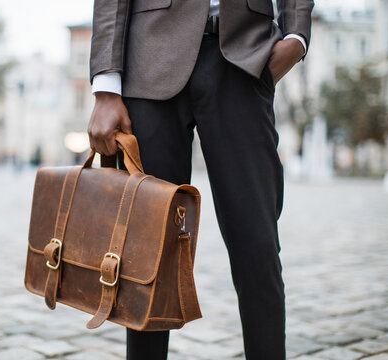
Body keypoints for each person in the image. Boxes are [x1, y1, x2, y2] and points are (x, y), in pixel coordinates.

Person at [87, 0, 314, 359]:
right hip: (149, 59)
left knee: (258, 247)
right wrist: (106, 85)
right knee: (147, 256)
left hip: (245, 56)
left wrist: (297, 35)